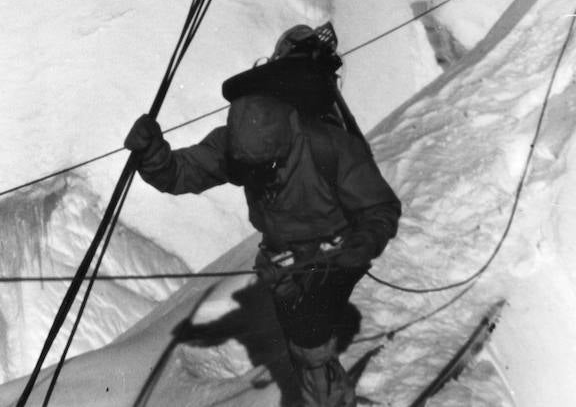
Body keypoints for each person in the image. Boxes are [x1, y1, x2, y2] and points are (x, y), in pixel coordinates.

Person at [124, 25, 401, 407]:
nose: (257, 178)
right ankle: (333, 394)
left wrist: (356, 247)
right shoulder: (237, 144)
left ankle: (330, 402)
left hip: (338, 252)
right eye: (247, 170)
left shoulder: (328, 145)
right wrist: (152, 153)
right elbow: (179, 173)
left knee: (308, 335)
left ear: (287, 141)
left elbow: (380, 208)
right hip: (283, 261)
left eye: (267, 168)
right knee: (304, 339)